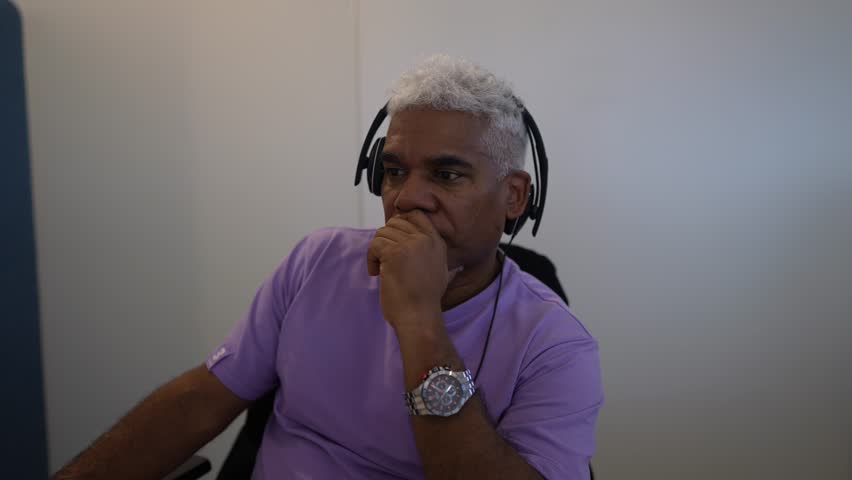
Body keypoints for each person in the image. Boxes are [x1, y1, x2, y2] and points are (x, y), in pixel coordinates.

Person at [54, 54, 603, 480]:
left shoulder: (555, 346)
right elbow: (200, 401)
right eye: (393, 171)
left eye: (447, 175)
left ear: (513, 196)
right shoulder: (317, 262)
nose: (408, 198)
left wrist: (418, 323)